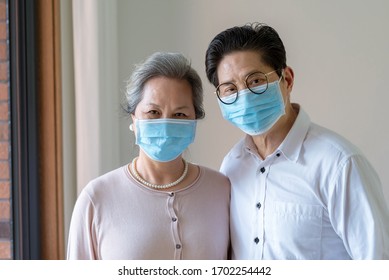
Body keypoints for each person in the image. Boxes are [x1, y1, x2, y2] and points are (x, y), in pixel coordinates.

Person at [205, 23, 389, 260]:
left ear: (287, 79)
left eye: (256, 81)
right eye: (230, 89)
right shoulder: (231, 166)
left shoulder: (339, 164)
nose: (245, 97)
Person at [67, 52, 230, 260]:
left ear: (194, 121)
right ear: (134, 119)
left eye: (179, 114)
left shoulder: (221, 189)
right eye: (153, 112)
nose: (165, 122)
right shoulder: (96, 198)